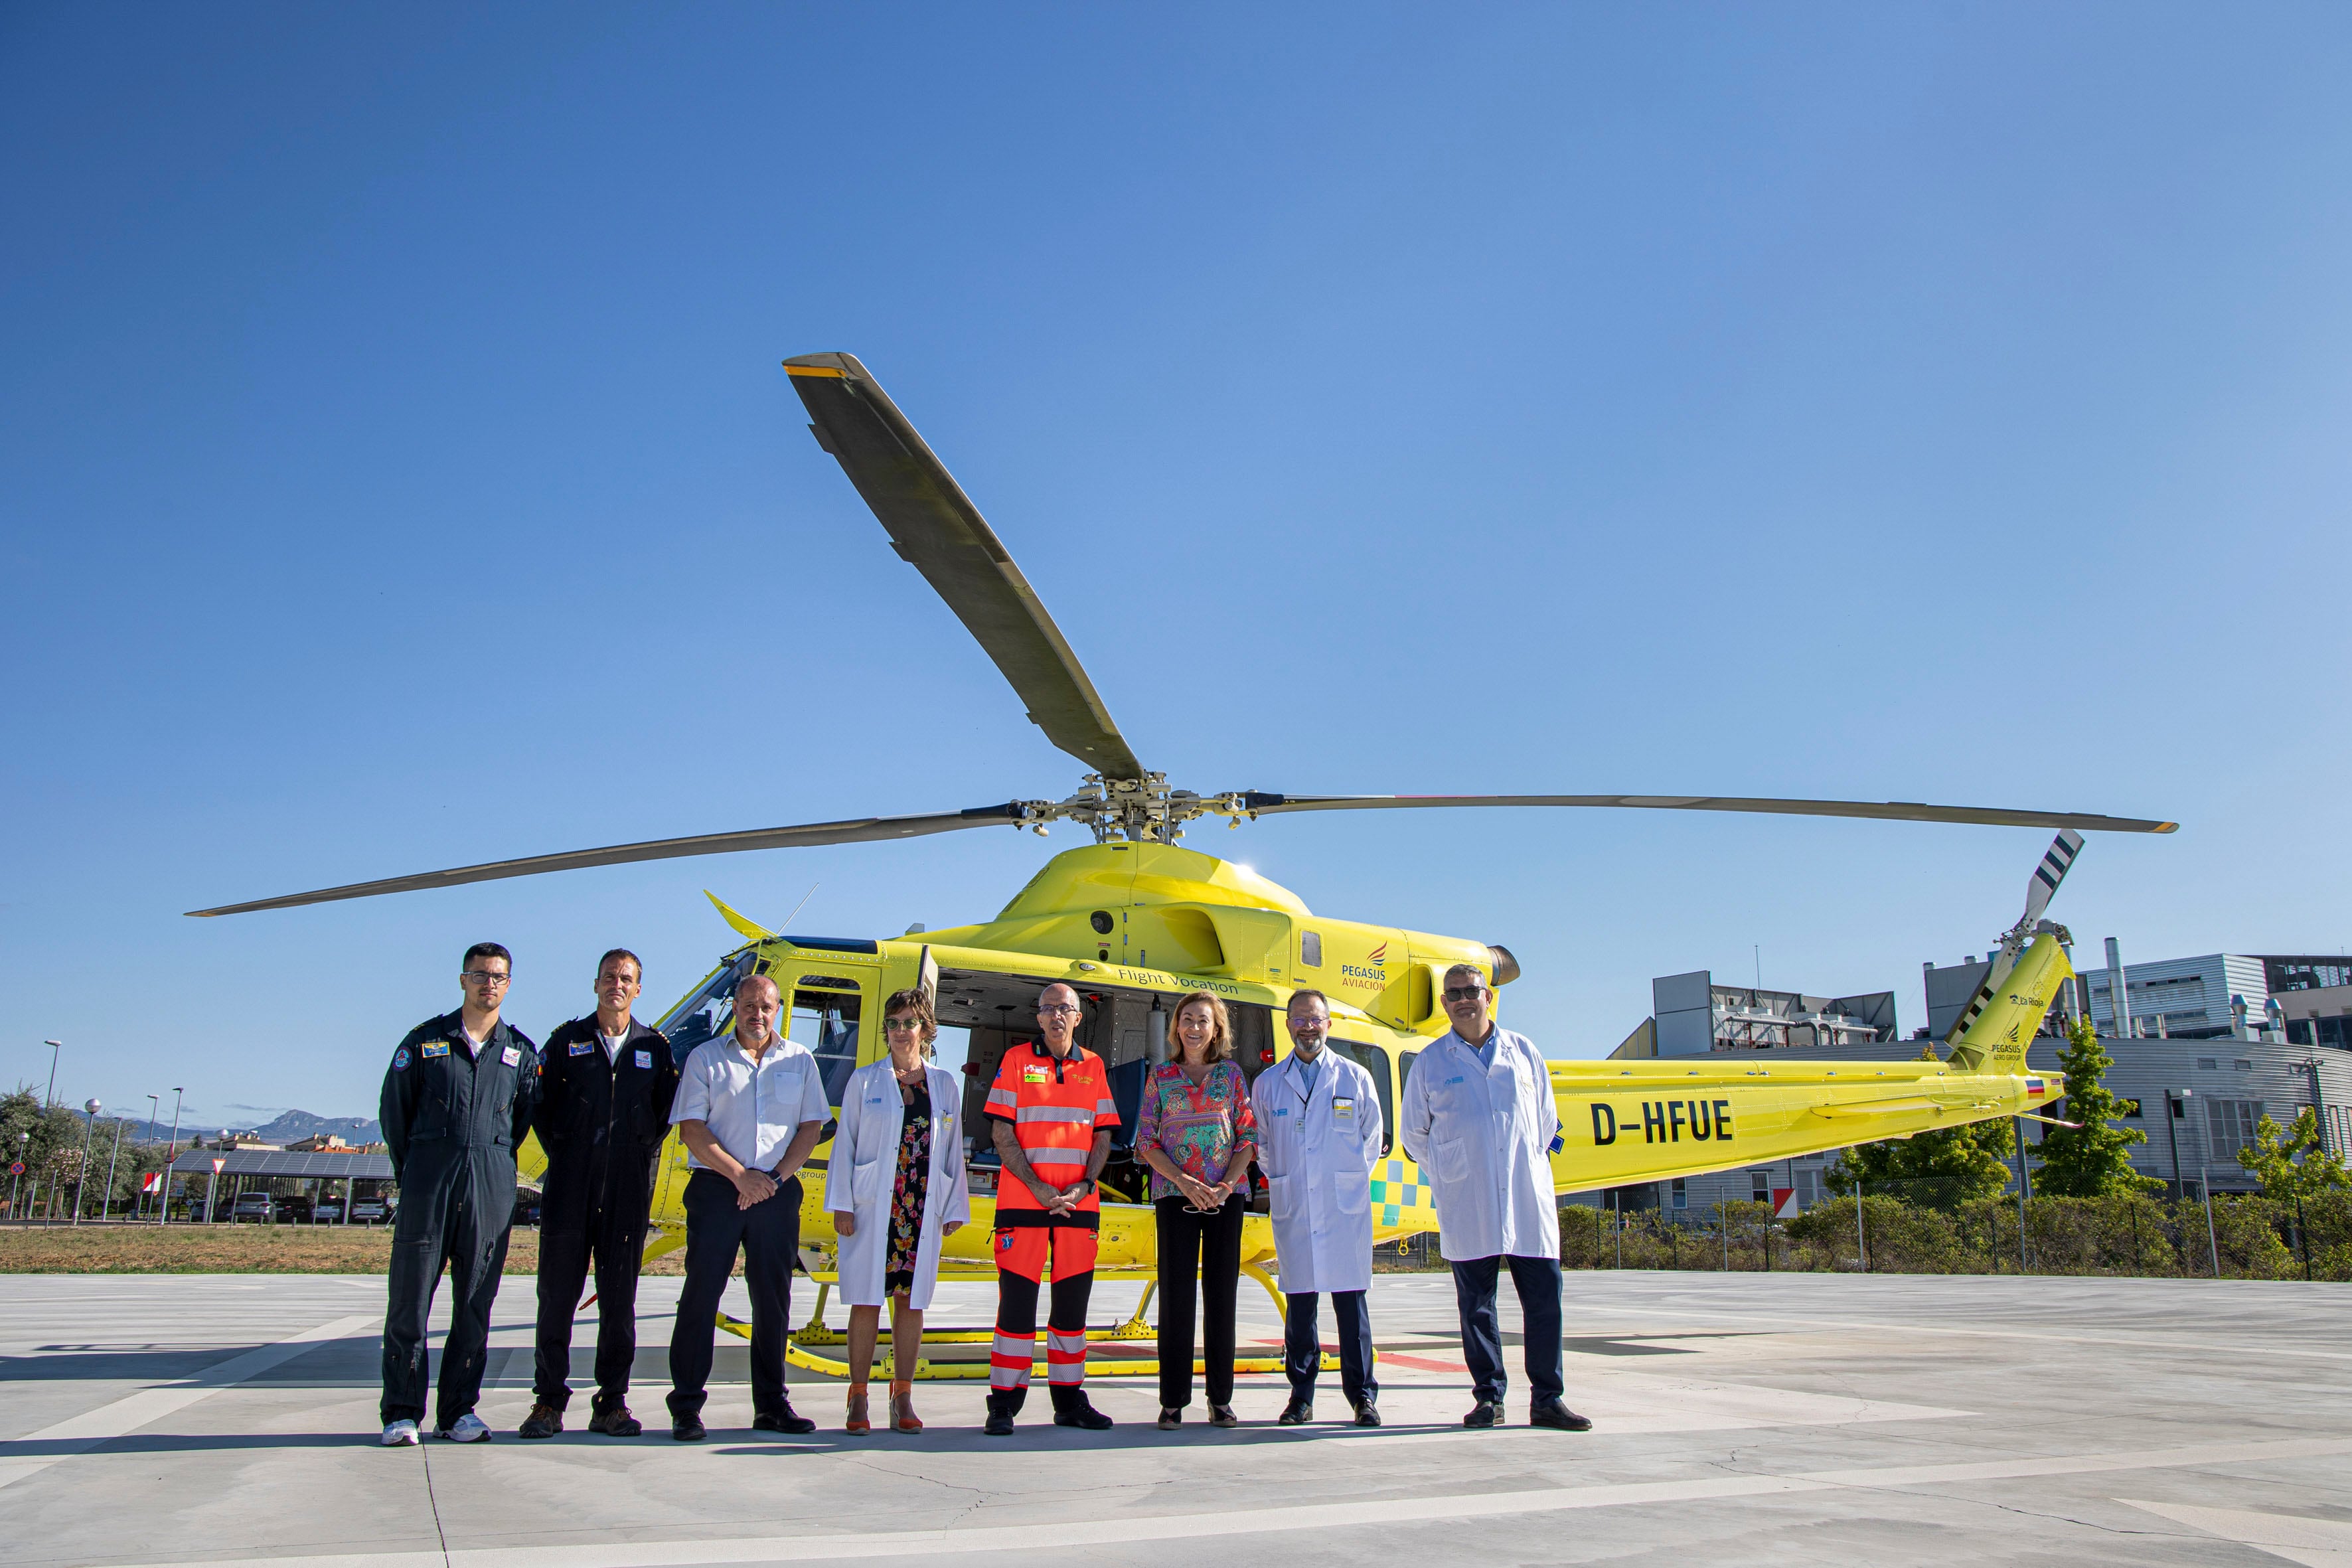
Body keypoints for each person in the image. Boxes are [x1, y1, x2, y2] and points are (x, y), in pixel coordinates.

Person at [1399, 962, 1591, 1433]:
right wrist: (1451, 1170)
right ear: (1444, 1003)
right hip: (1469, 1200)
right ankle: (1488, 1397)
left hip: (1526, 1200)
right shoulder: (1430, 1062)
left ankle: (1547, 1398)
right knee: (1477, 1307)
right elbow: (1413, 1134)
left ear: (1488, 997)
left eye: (1472, 990)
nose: (1464, 998)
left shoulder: (1524, 1052)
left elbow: (1546, 1124)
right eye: (1454, 993)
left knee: (1544, 1304)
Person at [378, 943, 541, 1446]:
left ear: (508, 984)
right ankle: (402, 1412)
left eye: (497, 976)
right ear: (463, 980)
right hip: (429, 1181)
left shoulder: (519, 1050)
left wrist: (487, 1161)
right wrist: (420, 1166)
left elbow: (522, 1122)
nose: (488, 984)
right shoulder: (426, 1041)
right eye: (479, 975)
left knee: (474, 1303)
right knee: (410, 1303)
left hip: (490, 1184)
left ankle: (458, 1412)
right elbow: (394, 1113)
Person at [519, 949, 681, 1441]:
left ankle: (612, 1402)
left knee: (619, 1303)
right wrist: (571, 1152)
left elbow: (661, 1117)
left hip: (626, 1193)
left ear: (638, 989)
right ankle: (548, 1402)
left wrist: (628, 1153)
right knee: (557, 1300)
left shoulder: (654, 1048)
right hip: (571, 1190)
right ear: (596, 985)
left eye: (626, 978)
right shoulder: (566, 1041)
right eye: (610, 976)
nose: (617, 984)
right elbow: (541, 1110)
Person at [665, 972, 829, 1441]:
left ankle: (772, 1406)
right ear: (735, 1007)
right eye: (749, 1005)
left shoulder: (798, 1061)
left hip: (776, 1194)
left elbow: (810, 1128)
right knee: (700, 1297)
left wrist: (772, 1180)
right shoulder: (706, 1059)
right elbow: (692, 1128)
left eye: (767, 1007)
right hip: (719, 1190)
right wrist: (740, 1176)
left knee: (773, 1302)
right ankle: (686, 1407)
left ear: (778, 1010)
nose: (758, 1014)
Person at [824, 988, 971, 1434]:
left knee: (910, 1302)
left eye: (910, 1023)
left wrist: (954, 1205)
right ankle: (858, 1395)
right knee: (866, 1300)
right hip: (874, 1205)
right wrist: (841, 1204)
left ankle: (903, 1394)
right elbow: (844, 1146)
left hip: (921, 1205)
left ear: (926, 1029)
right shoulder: (864, 1081)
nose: (901, 1031)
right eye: (894, 1023)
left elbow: (951, 1150)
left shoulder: (943, 1084)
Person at [981, 980, 1119, 1436]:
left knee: (1071, 1311)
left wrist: (1082, 1186)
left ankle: (1068, 1399)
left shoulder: (1094, 1066)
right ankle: (1003, 1403)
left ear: (1078, 1018)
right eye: (1048, 1008)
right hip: (1024, 1205)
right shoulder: (1016, 1060)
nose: (1057, 1015)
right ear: (1037, 1017)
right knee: (1016, 1310)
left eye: (1066, 1008)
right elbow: (1001, 1133)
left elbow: (1103, 1135)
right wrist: (1038, 1188)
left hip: (1079, 1209)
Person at [1251, 988, 1381, 1427]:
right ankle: (1300, 1397)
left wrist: (1344, 1181)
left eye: (1316, 1019)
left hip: (1343, 1207)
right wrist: (1290, 1179)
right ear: (1287, 1024)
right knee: (1301, 1306)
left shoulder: (1355, 1078)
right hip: (1296, 1206)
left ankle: (1362, 1396)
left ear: (1329, 1024)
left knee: (1351, 1305)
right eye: (1300, 1019)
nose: (1308, 1026)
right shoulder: (1268, 1083)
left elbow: (1371, 1138)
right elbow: (1263, 1144)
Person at [1135, 990, 1257, 1430]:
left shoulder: (1231, 1076)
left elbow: (1247, 1138)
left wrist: (1223, 1186)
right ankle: (1172, 1400)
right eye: (1186, 1019)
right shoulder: (1161, 1077)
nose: (1193, 1028)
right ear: (1176, 1027)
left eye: (1202, 1020)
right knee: (1176, 1296)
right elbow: (1145, 1141)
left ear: (1216, 1028)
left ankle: (1220, 1399)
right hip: (1174, 1197)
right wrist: (1185, 1182)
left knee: (1221, 1298)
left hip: (1226, 1198)